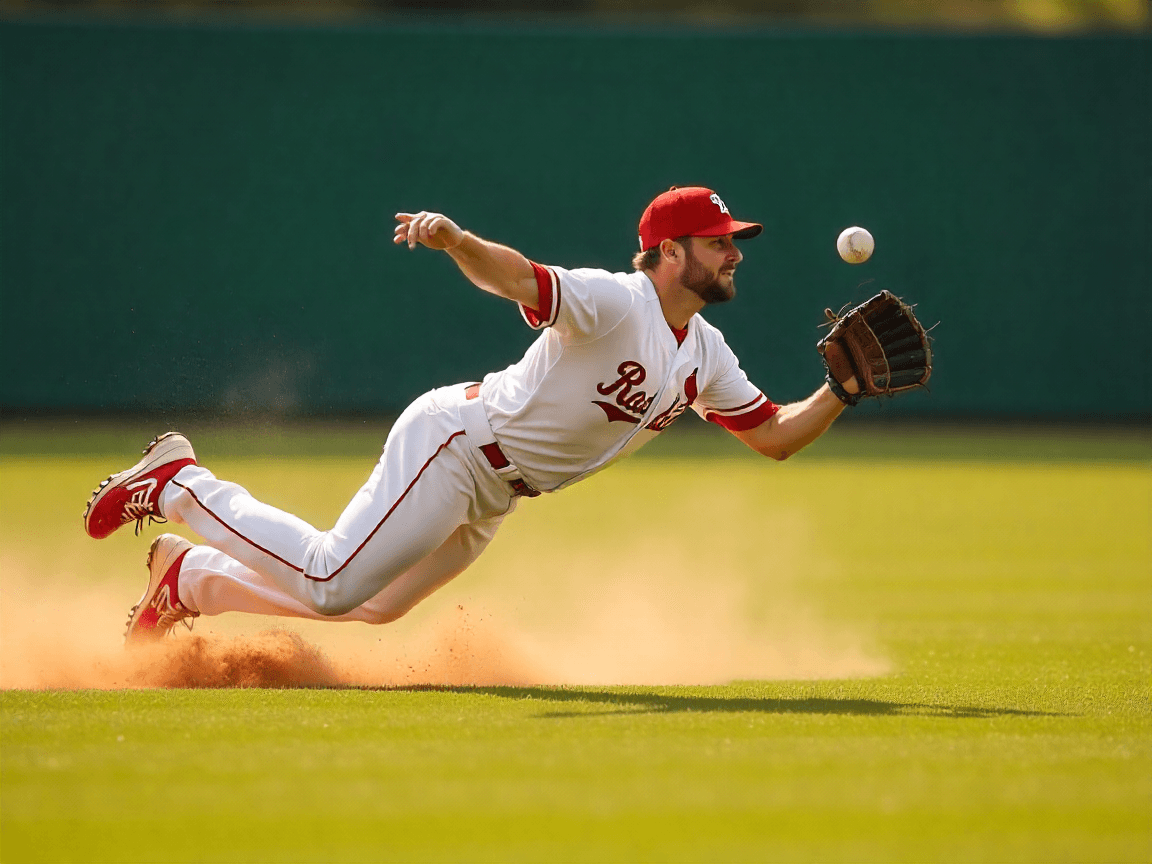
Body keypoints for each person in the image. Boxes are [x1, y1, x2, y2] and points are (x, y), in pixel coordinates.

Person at [83, 186, 859, 643]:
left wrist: (840, 394)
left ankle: (190, 581)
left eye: (734, 242)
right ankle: (182, 482)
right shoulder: (615, 299)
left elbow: (772, 436)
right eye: (719, 242)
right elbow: (521, 278)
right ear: (667, 249)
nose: (735, 254)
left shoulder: (706, 353)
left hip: (496, 494)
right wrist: (457, 241)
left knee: (375, 605)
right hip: (458, 446)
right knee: (329, 581)